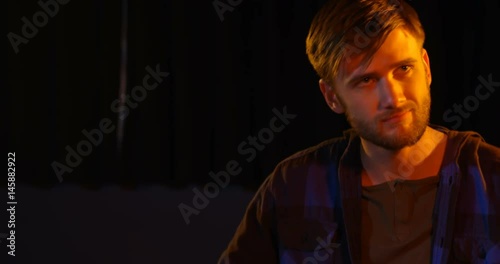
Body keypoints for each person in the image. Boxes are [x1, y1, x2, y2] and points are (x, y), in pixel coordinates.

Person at [218, 0, 500, 263]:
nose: (393, 98)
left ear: (426, 68)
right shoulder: (293, 184)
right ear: (332, 96)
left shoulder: (492, 176)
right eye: (365, 80)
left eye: (403, 68)